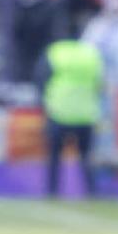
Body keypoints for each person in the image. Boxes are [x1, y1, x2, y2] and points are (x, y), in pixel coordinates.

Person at [37, 25, 107, 199]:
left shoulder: (55, 52)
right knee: (86, 157)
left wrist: (45, 101)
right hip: (86, 113)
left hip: (59, 112)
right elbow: (100, 82)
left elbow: (40, 78)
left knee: (54, 157)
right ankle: (91, 192)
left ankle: (52, 192)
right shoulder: (91, 53)